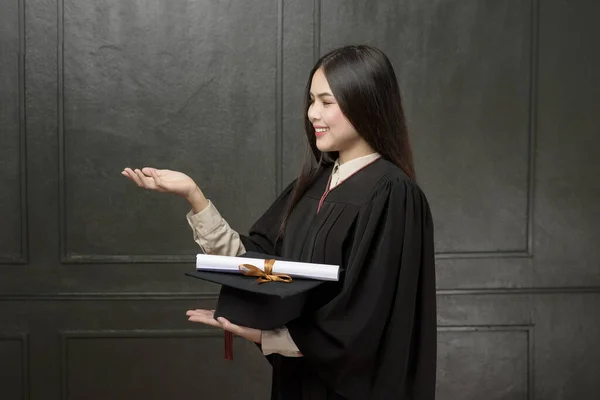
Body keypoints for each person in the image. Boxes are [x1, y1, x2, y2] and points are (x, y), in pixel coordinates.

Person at [122, 44, 436, 399]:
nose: (312, 113)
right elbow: (259, 264)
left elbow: (367, 319)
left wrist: (264, 335)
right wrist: (194, 196)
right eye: (311, 100)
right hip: (298, 383)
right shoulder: (311, 187)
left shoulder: (392, 193)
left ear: (364, 100)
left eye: (326, 101)